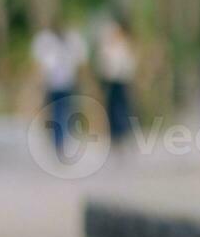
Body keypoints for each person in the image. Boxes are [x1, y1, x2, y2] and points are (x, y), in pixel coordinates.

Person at [31, 14, 88, 158]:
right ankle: (57, 140)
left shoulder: (70, 40)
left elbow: (79, 63)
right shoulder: (47, 41)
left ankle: (60, 141)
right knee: (56, 112)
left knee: (62, 112)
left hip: (66, 83)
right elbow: (41, 65)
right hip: (53, 84)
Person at [96, 16, 137, 145]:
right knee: (112, 108)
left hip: (123, 81)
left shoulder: (126, 45)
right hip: (110, 81)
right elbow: (104, 64)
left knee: (122, 108)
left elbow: (130, 63)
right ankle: (114, 135)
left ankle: (123, 133)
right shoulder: (108, 46)